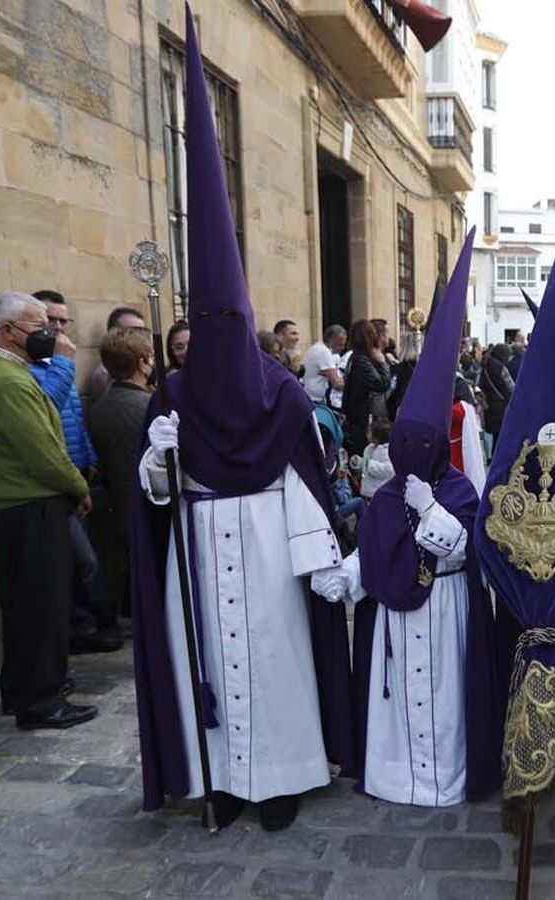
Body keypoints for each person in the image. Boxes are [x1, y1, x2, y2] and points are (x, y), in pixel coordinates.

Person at [130, 16, 353, 833]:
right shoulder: (174, 396)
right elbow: (151, 497)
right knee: (208, 659)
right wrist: (159, 460)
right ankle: (220, 778)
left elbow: (310, 482)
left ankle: (284, 775)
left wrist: (314, 554)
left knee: (272, 659)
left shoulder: (286, 394)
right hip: (196, 538)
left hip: (266, 547)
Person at [339, 231, 499, 807]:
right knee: (397, 698)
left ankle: (445, 778)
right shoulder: (387, 494)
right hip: (395, 621)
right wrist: (348, 575)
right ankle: (398, 776)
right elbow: (374, 547)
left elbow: (461, 547)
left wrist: (429, 509)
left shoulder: (457, 490)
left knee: (444, 692)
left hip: (447, 607)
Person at [0, 292, 97, 730]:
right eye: (39, 326)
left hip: (9, 504)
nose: (49, 334)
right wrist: (78, 486)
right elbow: (43, 452)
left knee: (22, 602)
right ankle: (41, 700)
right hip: (30, 503)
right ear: (8, 332)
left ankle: (20, 688)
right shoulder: (6, 380)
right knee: (43, 604)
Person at [29, 289, 118, 655]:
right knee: (82, 561)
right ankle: (88, 626)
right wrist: (64, 364)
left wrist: (92, 455)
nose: (60, 328)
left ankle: (86, 625)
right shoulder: (34, 370)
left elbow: (76, 417)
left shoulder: (61, 365)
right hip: (57, 479)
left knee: (85, 556)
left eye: (64, 320)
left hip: (80, 470)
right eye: (51, 320)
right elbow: (42, 409)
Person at [85, 326, 155, 618]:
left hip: (120, 506)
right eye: (151, 356)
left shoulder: (98, 408)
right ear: (142, 362)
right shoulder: (150, 405)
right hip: (149, 505)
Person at [341, 320, 392, 456]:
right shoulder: (361, 360)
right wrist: (382, 363)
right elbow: (382, 384)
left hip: (357, 417)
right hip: (363, 418)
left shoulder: (355, 358)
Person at [85, 306, 147, 399]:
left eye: (143, 332)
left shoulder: (146, 364)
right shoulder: (105, 373)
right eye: (132, 332)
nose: (141, 337)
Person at [303, 324, 347, 413]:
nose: (342, 348)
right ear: (331, 341)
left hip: (318, 400)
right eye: (340, 345)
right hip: (316, 401)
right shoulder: (323, 352)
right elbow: (337, 384)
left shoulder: (326, 351)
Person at [477, 344, 515, 439]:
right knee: (501, 438)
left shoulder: (485, 364)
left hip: (489, 405)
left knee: (495, 438)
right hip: (500, 407)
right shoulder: (500, 367)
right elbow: (511, 387)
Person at [360, 419, 394, 500]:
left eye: (369, 432)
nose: (367, 433)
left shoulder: (387, 451)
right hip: (366, 490)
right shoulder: (368, 448)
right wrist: (359, 463)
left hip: (378, 491)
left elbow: (389, 470)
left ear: (377, 436)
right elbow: (365, 466)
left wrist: (370, 465)